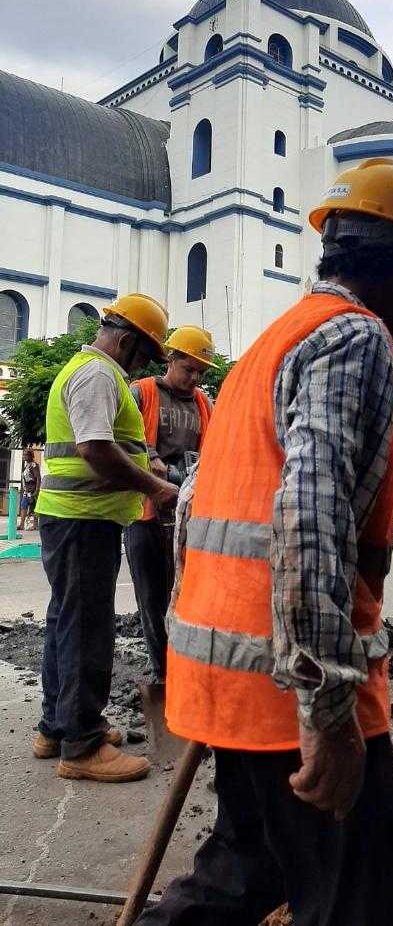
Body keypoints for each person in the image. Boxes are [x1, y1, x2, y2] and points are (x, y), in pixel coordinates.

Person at [138, 158, 393, 926]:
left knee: (243, 873)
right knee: (367, 905)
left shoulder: (270, 345)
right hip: (288, 688)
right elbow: (309, 520)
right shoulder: (355, 337)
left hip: (228, 673)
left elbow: (194, 510)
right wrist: (327, 709)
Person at [34, 294, 180, 783]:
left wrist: (149, 463)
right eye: (144, 354)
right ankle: (82, 744)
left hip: (75, 519)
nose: (143, 365)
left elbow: (113, 443)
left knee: (66, 619)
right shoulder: (98, 375)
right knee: (86, 627)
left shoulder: (96, 373)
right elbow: (94, 449)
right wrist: (155, 487)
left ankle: (56, 726)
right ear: (125, 340)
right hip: (83, 519)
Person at [125, 326, 214, 686]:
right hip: (145, 514)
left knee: (189, 597)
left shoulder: (205, 403)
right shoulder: (141, 392)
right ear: (171, 359)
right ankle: (164, 674)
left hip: (188, 516)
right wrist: (148, 457)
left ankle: (185, 669)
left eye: (200, 372)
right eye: (188, 368)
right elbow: (117, 439)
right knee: (152, 597)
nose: (194, 378)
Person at [18, 448, 40, 531]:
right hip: (26, 490)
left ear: (31, 456)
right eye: (24, 454)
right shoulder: (26, 465)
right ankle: (21, 525)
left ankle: (35, 525)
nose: (24, 456)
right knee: (23, 505)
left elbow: (38, 478)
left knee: (33, 506)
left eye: (26, 454)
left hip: (32, 489)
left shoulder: (33, 465)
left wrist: (37, 490)